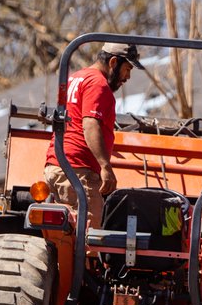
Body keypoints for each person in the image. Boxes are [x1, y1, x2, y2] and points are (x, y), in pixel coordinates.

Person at [43, 42, 143, 228]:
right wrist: (105, 167)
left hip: (58, 166)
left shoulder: (77, 78)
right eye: (127, 69)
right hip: (79, 171)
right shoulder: (98, 84)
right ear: (113, 62)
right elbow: (90, 124)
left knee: (66, 238)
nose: (128, 77)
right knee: (87, 238)